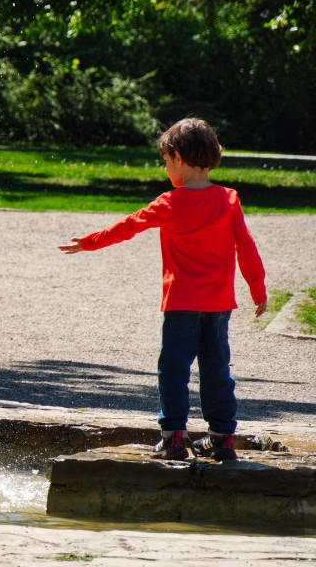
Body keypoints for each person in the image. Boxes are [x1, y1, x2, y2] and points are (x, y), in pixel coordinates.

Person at [59, 118, 267, 462]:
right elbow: (246, 247)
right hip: (218, 306)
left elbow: (128, 226)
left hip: (181, 304)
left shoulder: (169, 203)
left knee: (173, 369)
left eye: (166, 162)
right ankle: (222, 439)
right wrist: (257, 289)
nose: (166, 168)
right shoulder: (228, 200)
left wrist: (89, 243)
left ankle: (173, 438)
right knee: (217, 370)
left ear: (179, 159)